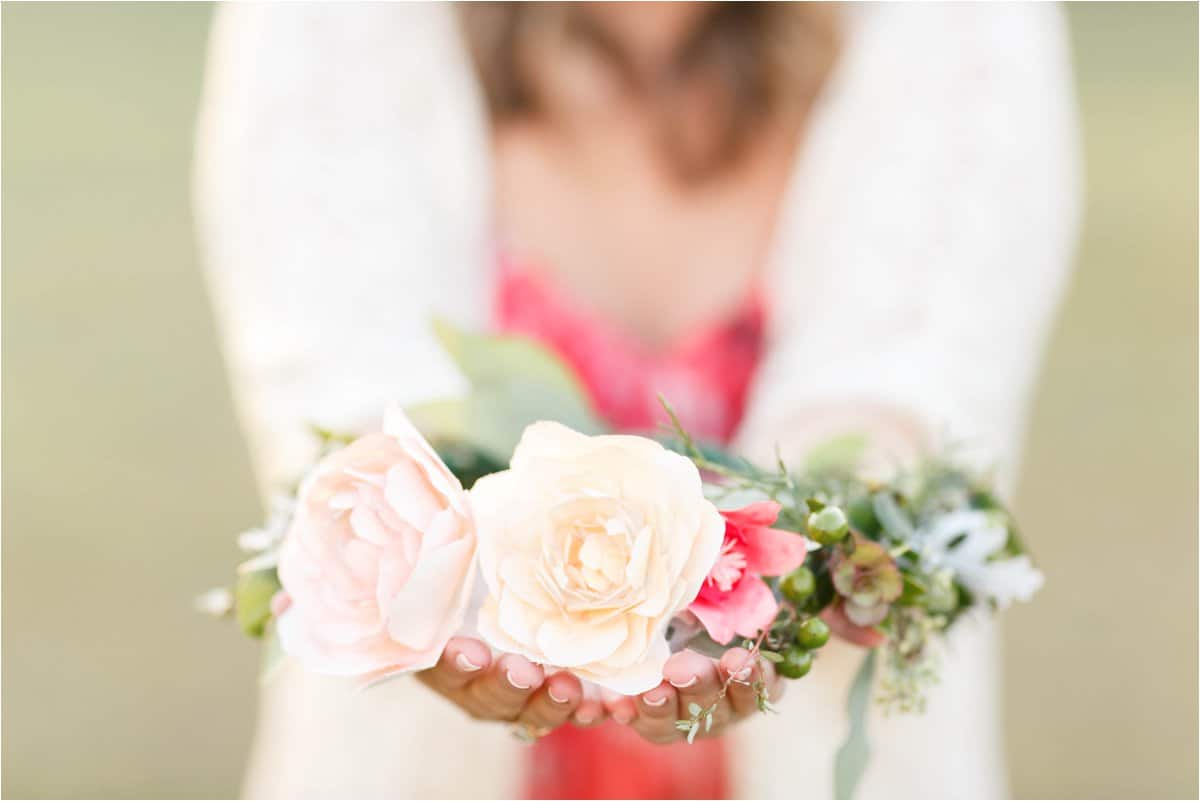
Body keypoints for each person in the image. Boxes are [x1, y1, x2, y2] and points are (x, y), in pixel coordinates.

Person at [195, 3, 1080, 798]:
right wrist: (437, 586)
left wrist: (816, 557)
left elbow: (909, 387)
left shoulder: (952, 26)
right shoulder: (335, 25)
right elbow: (342, 389)